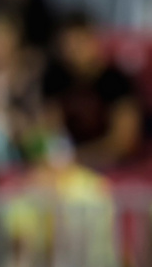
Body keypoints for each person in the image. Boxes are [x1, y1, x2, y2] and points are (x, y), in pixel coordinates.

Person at [41, 9, 142, 170]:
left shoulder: (116, 81)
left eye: (79, 42)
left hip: (115, 167)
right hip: (69, 167)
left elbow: (123, 141)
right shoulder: (54, 79)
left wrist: (78, 158)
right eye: (67, 44)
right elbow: (50, 131)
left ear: (94, 41)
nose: (73, 51)